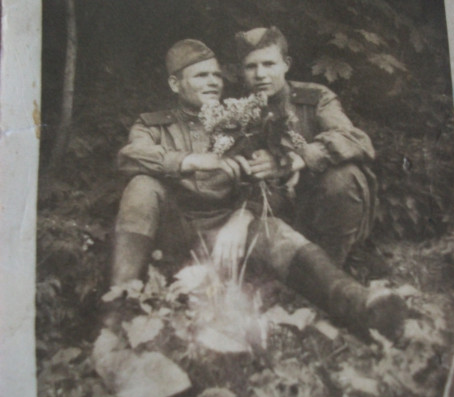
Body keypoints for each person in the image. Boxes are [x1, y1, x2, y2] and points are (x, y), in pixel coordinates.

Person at [110, 39, 403, 341]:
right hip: (176, 232)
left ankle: (359, 304)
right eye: (201, 75)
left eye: (216, 75)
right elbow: (128, 157)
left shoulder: (242, 121)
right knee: (141, 186)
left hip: (228, 235)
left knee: (276, 232)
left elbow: (269, 186)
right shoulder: (153, 126)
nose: (212, 82)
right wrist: (189, 160)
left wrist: (243, 216)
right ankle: (116, 312)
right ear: (175, 84)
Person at [236, 27, 377, 269]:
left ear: (286, 64)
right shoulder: (236, 111)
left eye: (269, 64)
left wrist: (298, 157)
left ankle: (334, 267)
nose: (260, 74)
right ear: (242, 71)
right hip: (273, 210)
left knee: (343, 178)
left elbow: (355, 139)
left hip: (320, 207)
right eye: (251, 66)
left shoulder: (314, 97)